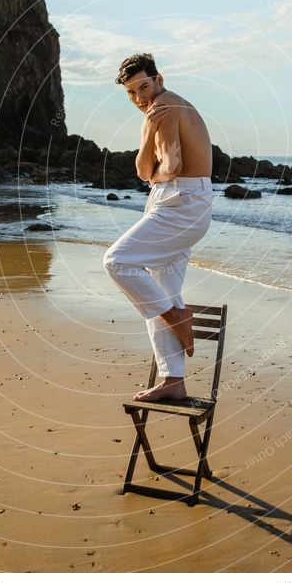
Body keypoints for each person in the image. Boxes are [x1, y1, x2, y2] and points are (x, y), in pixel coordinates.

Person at [103, 53, 213, 401]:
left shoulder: (164, 105)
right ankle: (173, 381)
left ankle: (176, 316)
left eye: (144, 87)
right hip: (185, 202)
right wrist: (149, 131)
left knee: (117, 261)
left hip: (179, 202)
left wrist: (155, 167)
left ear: (159, 80)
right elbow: (142, 169)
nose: (140, 98)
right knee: (159, 289)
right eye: (132, 92)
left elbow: (169, 165)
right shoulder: (158, 113)